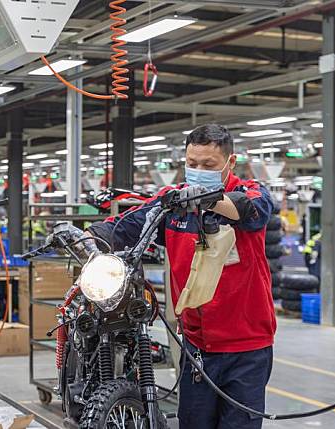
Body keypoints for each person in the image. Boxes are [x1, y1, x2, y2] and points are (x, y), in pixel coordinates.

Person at [86, 124, 275, 429]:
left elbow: (254, 210)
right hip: (197, 345)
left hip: (247, 347)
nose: (198, 170)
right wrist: (87, 239)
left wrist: (209, 200)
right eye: (192, 164)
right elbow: (125, 225)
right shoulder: (173, 204)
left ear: (230, 162)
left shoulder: (249, 192)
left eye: (208, 165)